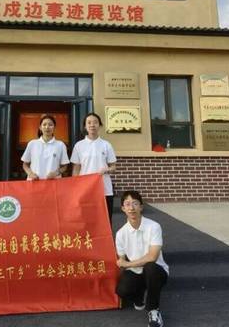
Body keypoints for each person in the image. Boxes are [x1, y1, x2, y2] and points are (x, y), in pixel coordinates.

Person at [115, 190, 169, 327]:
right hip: (136, 271)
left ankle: (154, 310)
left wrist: (127, 264)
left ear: (141, 207)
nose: (131, 208)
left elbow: (152, 256)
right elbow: (121, 261)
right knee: (121, 290)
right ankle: (140, 296)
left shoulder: (154, 226)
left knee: (150, 267)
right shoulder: (121, 234)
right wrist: (124, 267)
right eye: (127, 204)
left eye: (135, 203)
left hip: (157, 271)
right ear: (123, 208)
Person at [71, 112, 117, 222]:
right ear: (85, 126)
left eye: (95, 122)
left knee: (105, 220)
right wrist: (75, 188)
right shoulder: (79, 145)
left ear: (99, 125)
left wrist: (106, 170)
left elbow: (113, 167)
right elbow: (76, 169)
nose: (92, 125)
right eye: (89, 122)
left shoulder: (106, 145)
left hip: (104, 189)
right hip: (85, 189)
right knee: (86, 220)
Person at [22, 114, 70, 180]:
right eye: (44, 125)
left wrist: (56, 173)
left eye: (50, 125)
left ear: (54, 127)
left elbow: (65, 166)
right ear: (40, 127)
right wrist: (30, 173)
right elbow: (25, 164)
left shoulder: (60, 145)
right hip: (34, 182)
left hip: (54, 182)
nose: (47, 127)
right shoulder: (32, 144)